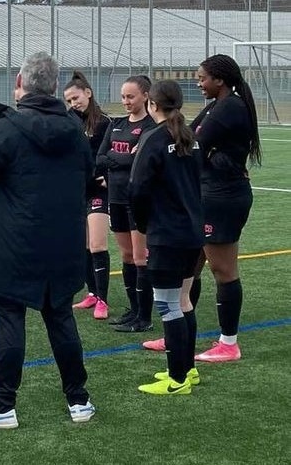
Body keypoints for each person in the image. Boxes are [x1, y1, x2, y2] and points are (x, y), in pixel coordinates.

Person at [0, 52, 94, 428]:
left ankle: (3, 406)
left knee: (10, 319)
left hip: (13, 241)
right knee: (60, 318)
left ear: (19, 82)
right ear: (55, 87)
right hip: (62, 240)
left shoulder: (8, 127)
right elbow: (88, 174)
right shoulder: (74, 127)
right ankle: (79, 401)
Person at [129, 80, 203, 395]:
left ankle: (176, 380)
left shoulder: (155, 138)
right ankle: (189, 370)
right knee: (184, 302)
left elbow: (136, 188)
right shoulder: (190, 137)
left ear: (152, 105)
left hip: (167, 235)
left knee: (168, 305)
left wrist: (143, 224)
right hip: (192, 233)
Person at [188, 54, 261, 362]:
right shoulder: (217, 104)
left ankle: (229, 343)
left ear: (219, 80)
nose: (198, 83)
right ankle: (179, 333)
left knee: (223, 269)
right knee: (187, 269)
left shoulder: (230, 106)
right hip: (208, 192)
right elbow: (192, 135)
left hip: (223, 197)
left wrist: (205, 152)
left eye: (202, 78)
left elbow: (193, 144)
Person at [96, 75, 157, 332]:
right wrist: (121, 159)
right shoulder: (117, 124)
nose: (125, 102)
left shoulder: (150, 126)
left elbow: (139, 161)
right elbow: (100, 157)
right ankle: (133, 310)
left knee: (141, 257)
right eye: (123, 97)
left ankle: (145, 317)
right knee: (127, 255)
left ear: (145, 95)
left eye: (130, 96)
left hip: (138, 200)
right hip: (116, 198)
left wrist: (115, 158)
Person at [64, 71, 112, 320]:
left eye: (76, 98)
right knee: (82, 244)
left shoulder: (104, 123)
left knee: (97, 244)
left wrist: (106, 175)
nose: (74, 104)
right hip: (77, 191)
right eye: (69, 101)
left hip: (98, 192)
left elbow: (111, 155)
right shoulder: (71, 121)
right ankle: (91, 293)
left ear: (88, 93)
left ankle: (103, 299)